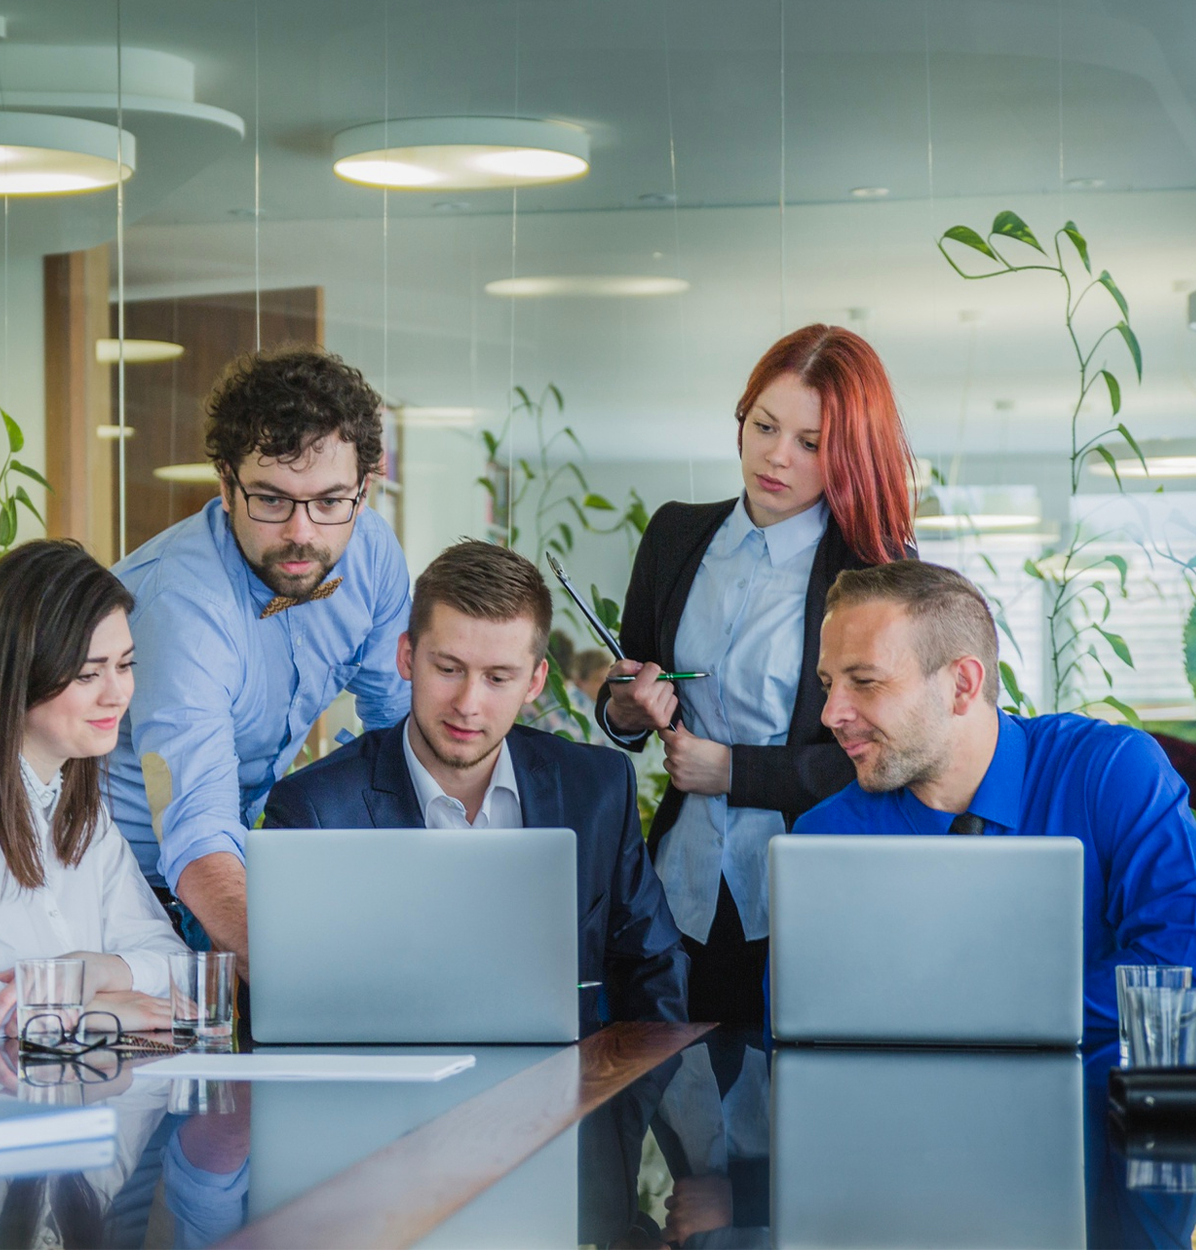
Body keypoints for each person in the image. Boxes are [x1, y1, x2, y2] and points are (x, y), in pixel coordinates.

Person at [596, 323, 916, 1024]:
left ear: (849, 456)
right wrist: (624, 711)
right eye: (765, 426)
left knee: (794, 1113)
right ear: (741, 418)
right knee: (677, 1110)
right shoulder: (676, 535)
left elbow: (891, 758)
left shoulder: (875, 576)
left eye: (811, 444)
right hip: (679, 885)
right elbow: (631, 687)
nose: (776, 457)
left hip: (810, 888)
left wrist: (735, 771)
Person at [264, 540, 688, 1029]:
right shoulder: (314, 811)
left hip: (569, 1091)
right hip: (390, 1096)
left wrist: (629, 1099)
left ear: (534, 681)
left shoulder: (595, 788)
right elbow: (293, 1009)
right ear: (406, 657)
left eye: (498, 678)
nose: (468, 703)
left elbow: (653, 968)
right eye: (448, 669)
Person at [106, 345, 412, 975]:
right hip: (129, 886)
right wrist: (300, 982)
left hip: (248, 858)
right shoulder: (182, 607)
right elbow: (195, 826)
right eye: (271, 500)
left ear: (365, 487)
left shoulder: (372, 553)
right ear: (225, 483)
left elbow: (398, 732)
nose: (302, 533)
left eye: (330, 501)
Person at [789, 559, 1196, 1031]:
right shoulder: (825, 840)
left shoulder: (1110, 774)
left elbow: (1180, 957)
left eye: (864, 682)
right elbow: (802, 1027)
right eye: (827, 684)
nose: (831, 714)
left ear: (962, 685)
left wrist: (983, 1013)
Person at [0, 540, 187, 1041]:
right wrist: (60, 1006)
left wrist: (94, 973)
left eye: (124, 665)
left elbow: (176, 967)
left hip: (67, 1095)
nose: (117, 693)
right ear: (19, 674)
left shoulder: (73, 798)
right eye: (89, 673)